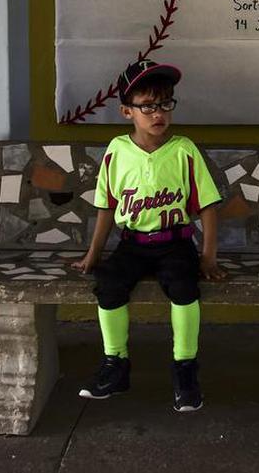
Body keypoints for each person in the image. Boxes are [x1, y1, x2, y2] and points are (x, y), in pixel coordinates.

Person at [71, 58, 224, 411]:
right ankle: (115, 365)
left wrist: (208, 257)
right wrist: (93, 255)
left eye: (166, 103)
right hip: (133, 245)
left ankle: (185, 370)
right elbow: (107, 207)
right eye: (148, 106)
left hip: (175, 244)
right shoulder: (116, 152)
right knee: (108, 283)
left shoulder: (183, 150)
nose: (159, 113)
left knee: (185, 287)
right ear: (127, 111)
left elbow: (208, 207)